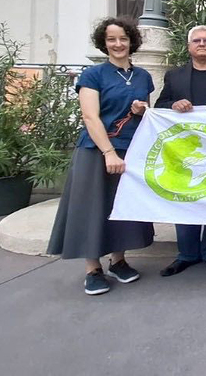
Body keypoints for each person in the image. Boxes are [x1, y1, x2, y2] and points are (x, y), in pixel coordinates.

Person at [47, 17, 154, 295]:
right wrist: (108, 152)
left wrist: (142, 110)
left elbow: (148, 115)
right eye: (111, 39)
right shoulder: (93, 75)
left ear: (131, 42)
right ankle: (92, 269)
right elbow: (90, 116)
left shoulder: (143, 76)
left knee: (122, 207)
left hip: (131, 149)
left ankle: (118, 261)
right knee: (92, 208)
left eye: (123, 39)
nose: (118, 44)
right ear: (103, 43)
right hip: (96, 150)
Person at [154, 25, 206, 277]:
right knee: (186, 196)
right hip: (183, 149)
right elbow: (160, 106)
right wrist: (173, 104)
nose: (202, 44)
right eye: (197, 41)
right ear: (189, 46)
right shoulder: (174, 76)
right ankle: (187, 253)